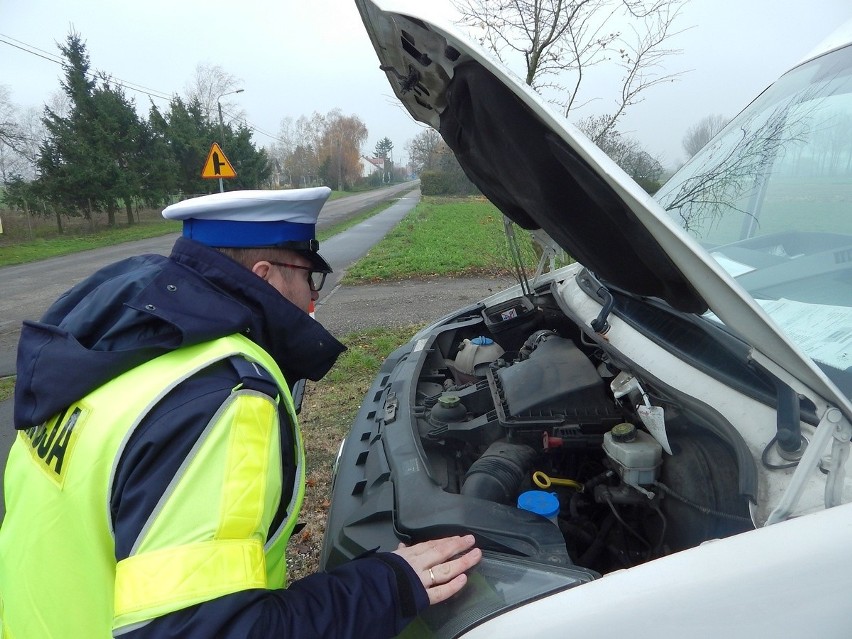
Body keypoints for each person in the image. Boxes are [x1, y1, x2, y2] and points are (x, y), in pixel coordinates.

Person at [0, 187, 481, 638]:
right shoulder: (227, 398)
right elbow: (202, 630)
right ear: (265, 276)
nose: (313, 297)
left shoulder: (120, 345)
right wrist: (385, 587)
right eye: (307, 276)